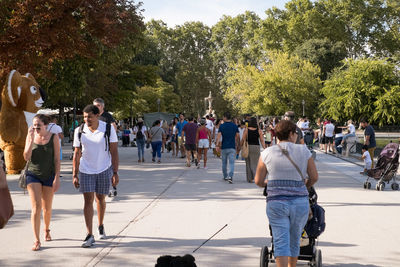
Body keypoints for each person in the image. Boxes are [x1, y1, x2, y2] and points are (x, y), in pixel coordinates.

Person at [254, 120, 318, 267]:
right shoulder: (303, 151)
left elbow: (258, 181)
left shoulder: (267, 153)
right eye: (295, 133)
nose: (296, 135)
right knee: (295, 239)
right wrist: (304, 185)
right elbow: (314, 177)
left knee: (280, 240)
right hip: (299, 203)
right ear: (290, 134)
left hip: (276, 203)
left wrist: (271, 183)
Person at [72, 105, 119, 248]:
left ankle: (100, 224)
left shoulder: (108, 129)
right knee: (88, 201)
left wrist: (115, 172)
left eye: (90, 116)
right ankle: (89, 234)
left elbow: (114, 151)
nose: (87, 119)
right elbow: (77, 153)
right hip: (86, 170)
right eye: (85, 117)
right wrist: (75, 174)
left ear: (97, 116)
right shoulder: (79, 131)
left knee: (100, 199)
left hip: (104, 169)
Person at [23, 114, 61, 251]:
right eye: (34, 125)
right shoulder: (30, 136)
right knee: (36, 207)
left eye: (38, 125)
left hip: (49, 175)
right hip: (33, 175)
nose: (36, 127)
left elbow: (57, 159)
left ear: (45, 125)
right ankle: (36, 240)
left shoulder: (54, 137)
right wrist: (31, 139)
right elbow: (26, 157)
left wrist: (57, 177)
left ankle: (46, 229)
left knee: (47, 209)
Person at [93, 98, 118, 197]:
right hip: (95, 146)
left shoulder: (107, 116)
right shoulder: (93, 116)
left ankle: (112, 185)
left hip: (106, 145)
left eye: (98, 105)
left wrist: (111, 138)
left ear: (103, 106)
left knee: (109, 165)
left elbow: (114, 127)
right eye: (95, 105)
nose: (96, 107)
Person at [216, 112, 240, 184]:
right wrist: (238, 144)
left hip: (224, 147)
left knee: (224, 163)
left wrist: (217, 145)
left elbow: (219, 136)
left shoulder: (222, 126)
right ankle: (230, 176)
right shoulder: (234, 126)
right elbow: (238, 136)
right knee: (232, 163)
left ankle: (225, 176)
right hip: (232, 146)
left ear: (225, 117)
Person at [240, 117, 266, 183]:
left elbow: (243, 139)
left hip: (248, 147)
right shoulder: (259, 130)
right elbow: (262, 140)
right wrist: (265, 148)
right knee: (255, 163)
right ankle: (256, 176)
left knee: (248, 163)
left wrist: (240, 146)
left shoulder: (246, 130)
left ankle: (250, 178)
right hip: (256, 147)